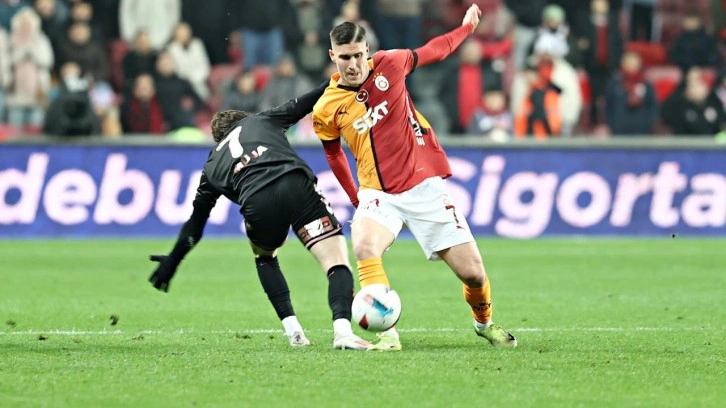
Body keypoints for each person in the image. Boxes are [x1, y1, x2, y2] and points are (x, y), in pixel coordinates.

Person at [311, 5, 517, 351]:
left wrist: (466, 29)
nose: (353, 64)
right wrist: (355, 197)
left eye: (358, 55)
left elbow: (436, 49)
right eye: (345, 57)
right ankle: (387, 333)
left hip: (424, 187)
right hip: (378, 193)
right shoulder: (326, 108)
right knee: (364, 245)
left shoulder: (391, 64)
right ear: (333, 56)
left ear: (367, 50)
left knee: (473, 274)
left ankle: (484, 323)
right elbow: (333, 154)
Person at [147, 82, 370, 350]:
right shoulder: (262, 119)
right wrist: (343, 81)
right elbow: (309, 100)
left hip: (257, 204)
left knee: (264, 257)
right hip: (294, 184)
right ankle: (343, 331)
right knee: (335, 263)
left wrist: (173, 260)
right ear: (245, 120)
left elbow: (196, 224)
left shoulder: (211, 166)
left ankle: (294, 332)